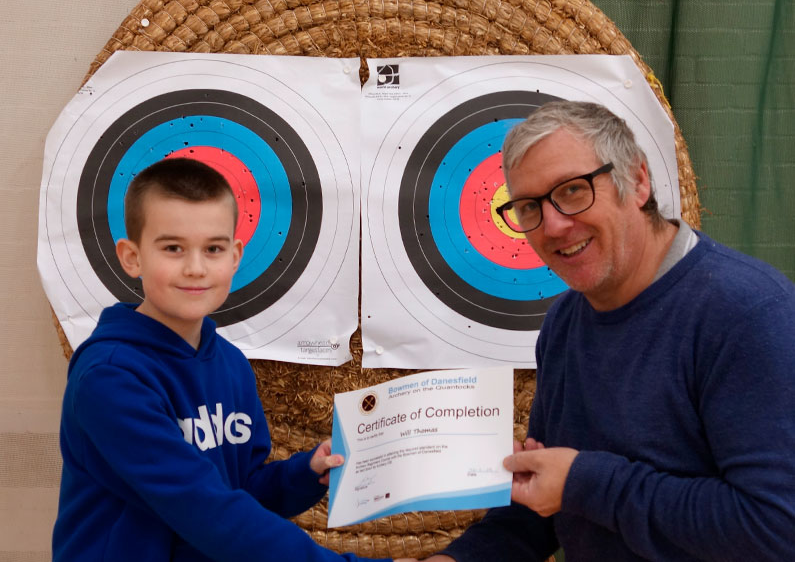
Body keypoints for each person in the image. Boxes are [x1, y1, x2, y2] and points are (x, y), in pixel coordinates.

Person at [423, 101, 795, 561]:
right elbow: (541, 512)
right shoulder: (563, 323)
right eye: (528, 207)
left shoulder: (746, 314)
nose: (554, 225)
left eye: (574, 190)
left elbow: (777, 528)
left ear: (637, 181)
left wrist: (585, 481)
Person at [52, 158, 395, 561]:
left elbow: (240, 489)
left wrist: (302, 474)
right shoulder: (109, 377)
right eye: (173, 248)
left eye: (213, 249)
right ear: (132, 258)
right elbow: (207, 511)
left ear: (234, 257)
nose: (196, 268)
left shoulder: (230, 364)